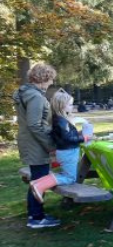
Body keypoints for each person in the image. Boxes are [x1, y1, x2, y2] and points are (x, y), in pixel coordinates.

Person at [14, 64, 60, 229]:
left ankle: (35, 213)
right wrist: (50, 145)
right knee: (39, 180)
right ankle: (36, 218)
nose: (51, 82)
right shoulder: (35, 97)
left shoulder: (27, 93)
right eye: (51, 78)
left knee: (37, 179)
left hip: (31, 141)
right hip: (35, 143)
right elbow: (35, 125)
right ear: (44, 78)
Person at [29, 89, 92, 204]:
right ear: (62, 106)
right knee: (70, 178)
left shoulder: (60, 119)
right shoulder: (61, 121)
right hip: (68, 152)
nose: (72, 107)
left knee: (66, 175)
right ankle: (40, 186)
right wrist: (83, 138)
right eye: (70, 104)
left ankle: (37, 183)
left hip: (66, 151)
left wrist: (78, 134)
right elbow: (67, 139)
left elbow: (65, 136)